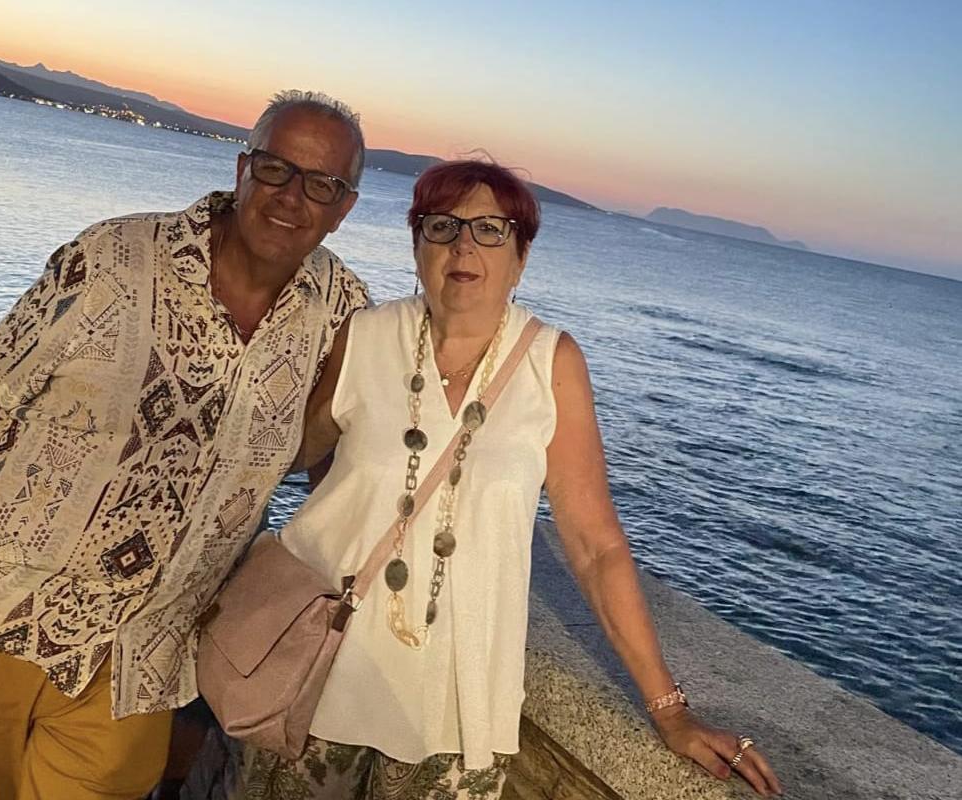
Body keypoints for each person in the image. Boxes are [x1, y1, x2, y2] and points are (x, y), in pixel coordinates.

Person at [214, 160, 783, 798]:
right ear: (416, 244)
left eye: (490, 229)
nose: (464, 246)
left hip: (458, 702)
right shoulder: (365, 336)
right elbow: (292, 454)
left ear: (521, 257)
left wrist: (670, 711)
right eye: (443, 226)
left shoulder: (551, 363)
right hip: (316, 673)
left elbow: (596, 547)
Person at [0, 89, 370, 800]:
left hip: (140, 666)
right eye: (276, 169)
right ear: (243, 169)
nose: (292, 198)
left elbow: (339, 465)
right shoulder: (114, 258)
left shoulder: (343, 316)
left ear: (344, 206)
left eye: (321, 184)